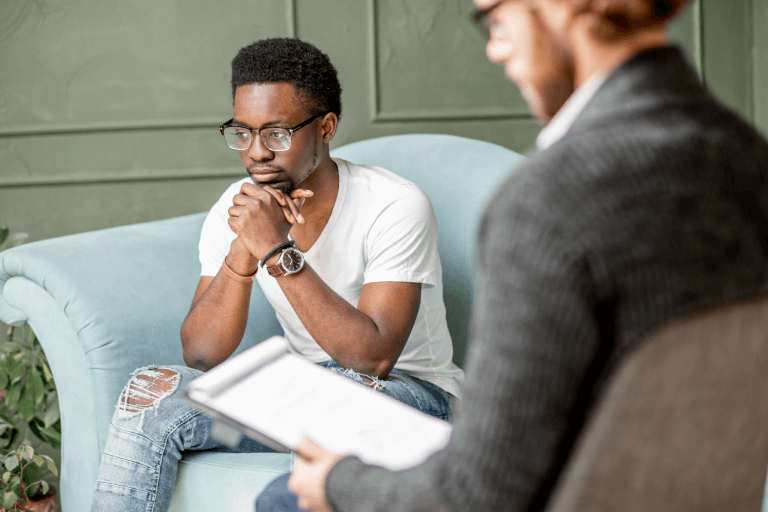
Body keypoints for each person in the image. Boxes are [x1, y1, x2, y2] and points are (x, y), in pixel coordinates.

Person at [283, 0, 768, 511]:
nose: (496, 48)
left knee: (289, 495)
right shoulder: (748, 160)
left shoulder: (551, 198)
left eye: (495, 18)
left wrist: (339, 484)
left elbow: (479, 495)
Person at [90, 37, 463, 512]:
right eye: (242, 132)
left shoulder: (394, 204)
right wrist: (243, 253)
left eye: (277, 133)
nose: (256, 152)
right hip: (304, 395)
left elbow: (373, 359)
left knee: (334, 399)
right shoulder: (236, 206)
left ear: (325, 127)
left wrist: (275, 249)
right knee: (152, 392)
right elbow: (203, 353)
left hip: (413, 399)